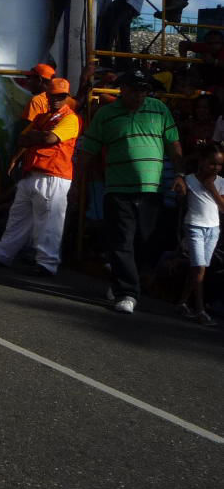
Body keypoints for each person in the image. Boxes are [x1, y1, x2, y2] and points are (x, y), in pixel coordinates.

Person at [79, 70, 185, 313]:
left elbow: (174, 143)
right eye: (135, 89)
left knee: (144, 240)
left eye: (143, 90)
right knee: (121, 240)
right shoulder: (106, 114)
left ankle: (120, 279)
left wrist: (179, 174)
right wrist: (76, 183)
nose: (140, 94)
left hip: (151, 189)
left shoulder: (158, 109)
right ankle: (127, 292)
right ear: (122, 89)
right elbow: (89, 148)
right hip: (117, 188)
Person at [0, 78, 79, 275]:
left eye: (61, 97)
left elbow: (50, 138)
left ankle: (46, 264)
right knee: (18, 218)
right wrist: (39, 137)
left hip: (53, 175)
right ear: (48, 96)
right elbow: (22, 138)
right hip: (32, 172)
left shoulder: (70, 118)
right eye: (54, 96)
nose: (57, 100)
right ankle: (2, 254)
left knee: (50, 222)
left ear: (67, 98)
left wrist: (37, 136)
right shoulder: (42, 117)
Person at [177, 142, 224, 325]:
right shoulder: (189, 180)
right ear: (202, 161)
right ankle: (200, 309)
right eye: (212, 163)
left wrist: (211, 187)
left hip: (213, 229)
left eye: (219, 164)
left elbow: (222, 207)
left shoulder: (220, 182)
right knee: (200, 268)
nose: (216, 168)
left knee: (198, 268)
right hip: (194, 225)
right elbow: (180, 200)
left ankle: (182, 302)